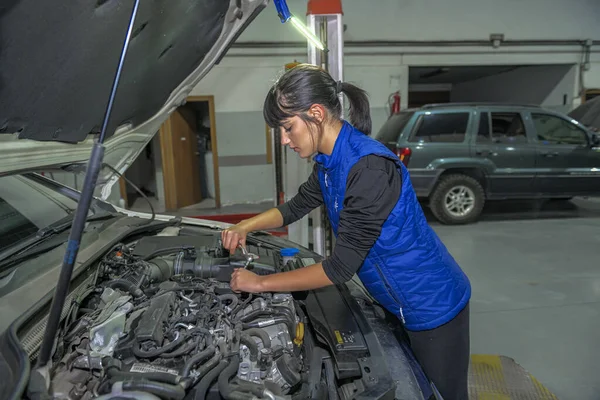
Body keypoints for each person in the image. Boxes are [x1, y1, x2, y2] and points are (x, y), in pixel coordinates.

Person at [221, 63, 471, 400]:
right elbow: (294, 207)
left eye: (287, 127)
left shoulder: (369, 170)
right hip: (395, 300)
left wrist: (260, 284)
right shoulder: (329, 162)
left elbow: (339, 268)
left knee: (442, 394)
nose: (283, 139)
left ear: (316, 113)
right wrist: (244, 225)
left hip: (432, 306)